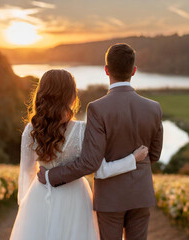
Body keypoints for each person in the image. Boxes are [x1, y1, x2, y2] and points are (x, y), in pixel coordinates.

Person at [37, 43, 163, 240]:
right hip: (141, 194)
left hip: (110, 199)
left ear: (106, 70)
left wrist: (52, 176)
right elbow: (154, 154)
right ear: (134, 70)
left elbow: (90, 162)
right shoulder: (154, 108)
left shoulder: (97, 108)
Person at [9, 69, 148, 240]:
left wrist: (26, 205)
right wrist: (132, 159)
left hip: (39, 195)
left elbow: (26, 172)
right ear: (72, 97)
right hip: (75, 199)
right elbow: (101, 169)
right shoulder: (83, 130)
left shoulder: (31, 129)